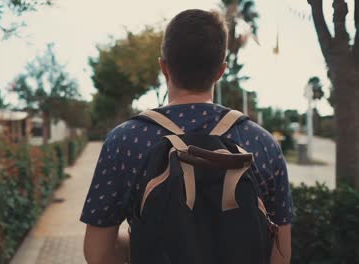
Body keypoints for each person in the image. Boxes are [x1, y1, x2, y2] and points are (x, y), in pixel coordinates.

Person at [81, 9, 294, 264]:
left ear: (164, 67)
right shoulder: (262, 143)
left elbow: (98, 254)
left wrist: (145, 240)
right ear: (221, 71)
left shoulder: (124, 140)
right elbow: (281, 254)